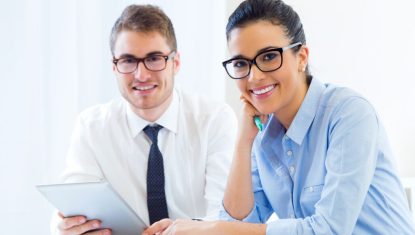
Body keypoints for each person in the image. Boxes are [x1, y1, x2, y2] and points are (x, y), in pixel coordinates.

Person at [143, 0, 415, 234]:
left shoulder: (349, 114)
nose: (254, 76)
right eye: (241, 63)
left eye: (269, 56)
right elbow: (238, 223)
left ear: (301, 57)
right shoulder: (263, 134)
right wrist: (243, 140)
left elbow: (330, 229)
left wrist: (208, 228)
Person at [51, 4, 237, 235]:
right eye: (128, 61)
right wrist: (69, 227)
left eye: (154, 58)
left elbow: (224, 218)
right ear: (114, 67)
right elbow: (73, 204)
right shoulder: (91, 127)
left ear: (175, 63)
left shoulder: (214, 120)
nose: (141, 75)